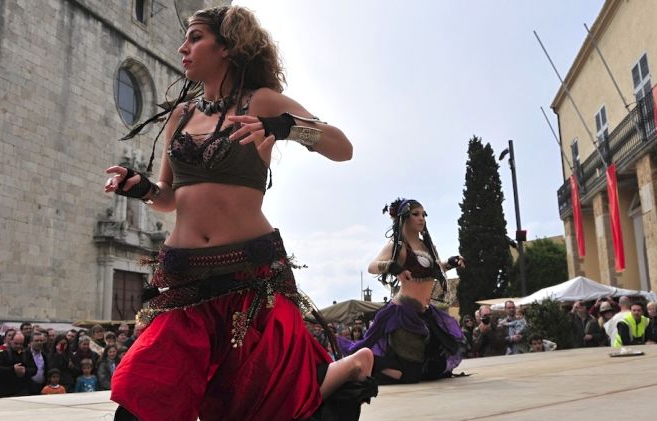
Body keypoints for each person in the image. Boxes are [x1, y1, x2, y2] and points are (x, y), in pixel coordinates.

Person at [106, 5, 374, 421]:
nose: (183, 47)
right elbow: (169, 197)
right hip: (185, 278)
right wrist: (137, 187)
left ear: (228, 46)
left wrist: (283, 127)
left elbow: (342, 147)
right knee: (143, 398)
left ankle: (348, 367)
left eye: (195, 37)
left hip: (248, 275)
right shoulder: (181, 115)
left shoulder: (260, 101)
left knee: (256, 407)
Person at [349, 198, 465, 384]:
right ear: (404, 218)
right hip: (402, 315)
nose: (422, 218)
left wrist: (450, 263)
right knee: (410, 375)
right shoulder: (398, 247)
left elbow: (435, 268)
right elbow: (372, 266)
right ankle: (363, 367)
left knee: (435, 369)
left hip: (425, 314)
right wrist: (393, 267)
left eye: (424, 215)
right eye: (416, 214)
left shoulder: (427, 246)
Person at [0, 333, 35, 397]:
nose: (18, 346)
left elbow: (34, 369)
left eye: (21, 344)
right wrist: (13, 369)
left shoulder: (27, 354)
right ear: (11, 341)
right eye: (16, 343)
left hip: (23, 390)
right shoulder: (3, 354)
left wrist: (25, 371)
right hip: (6, 391)